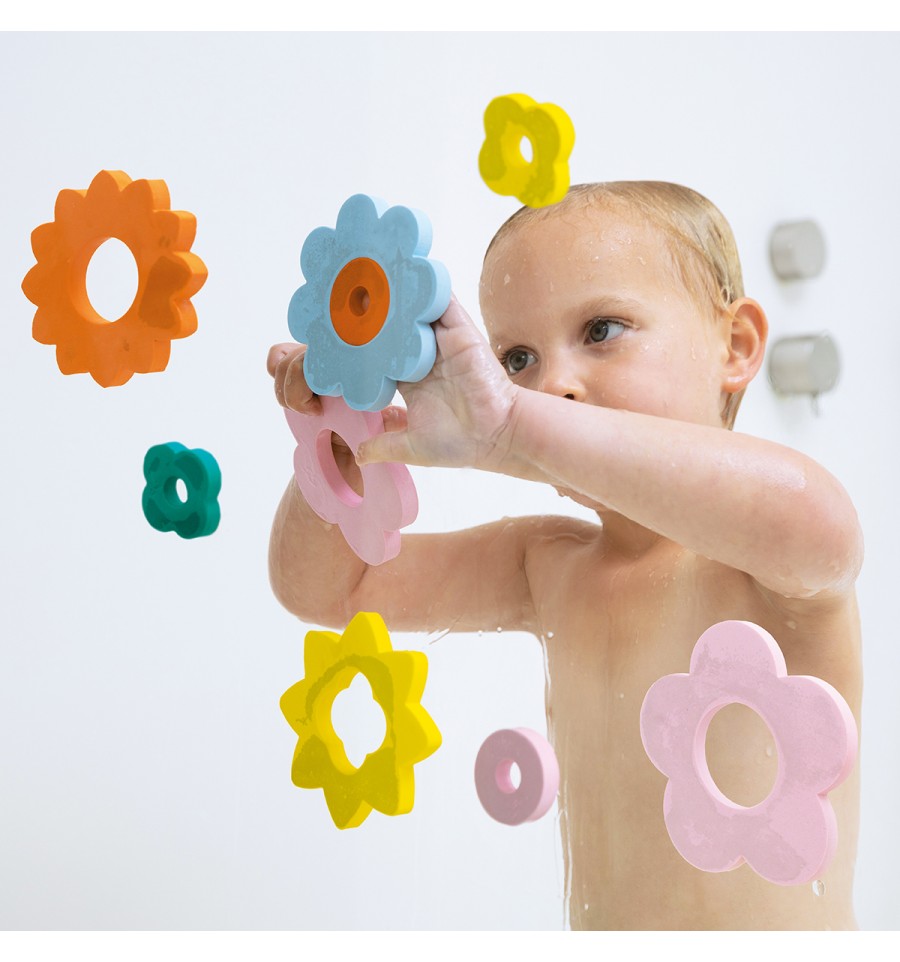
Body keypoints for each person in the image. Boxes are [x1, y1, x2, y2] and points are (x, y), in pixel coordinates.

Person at [266, 181, 863, 930]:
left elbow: (819, 522)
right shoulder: (546, 564)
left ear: (735, 346)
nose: (551, 386)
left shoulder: (765, 569)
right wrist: (344, 438)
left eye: (602, 330)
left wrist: (512, 426)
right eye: (517, 359)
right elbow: (331, 589)